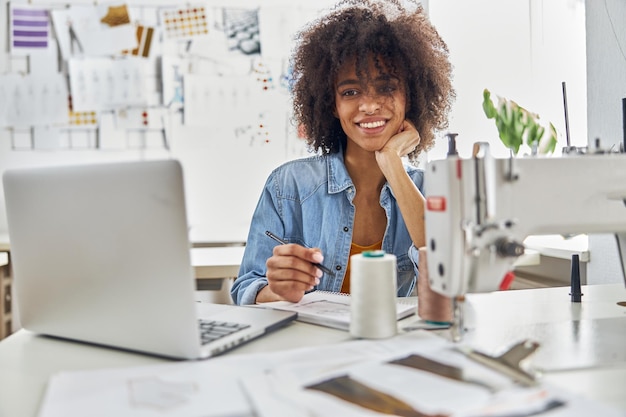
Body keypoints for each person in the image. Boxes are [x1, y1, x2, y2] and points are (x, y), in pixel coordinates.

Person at [231, 0, 454, 305]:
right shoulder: (289, 186)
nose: (369, 105)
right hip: (312, 347)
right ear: (331, 105)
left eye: (386, 87)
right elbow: (246, 288)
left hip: (392, 346)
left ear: (411, 96)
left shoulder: (427, 189)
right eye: (350, 92)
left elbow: (447, 276)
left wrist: (392, 163)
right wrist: (279, 290)